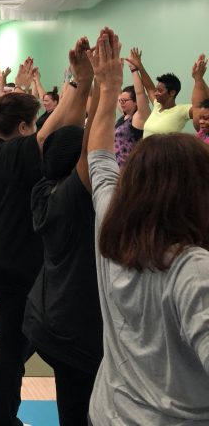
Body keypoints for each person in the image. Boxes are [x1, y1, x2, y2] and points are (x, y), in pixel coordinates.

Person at [87, 27, 209, 425]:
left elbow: (100, 162)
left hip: (108, 413)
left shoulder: (111, 231)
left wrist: (106, 89)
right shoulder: (192, 269)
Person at [0, 41, 92, 426]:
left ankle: (1, 417)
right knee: (15, 346)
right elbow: (61, 125)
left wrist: (72, 82)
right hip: (16, 261)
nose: (42, 126)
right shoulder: (19, 152)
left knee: (13, 343)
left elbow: (60, 121)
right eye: (35, 121)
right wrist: (84, 81)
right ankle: (0, 419)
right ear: (23, 129)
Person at [23, 84, 102, 426]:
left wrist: (84, 84)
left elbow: (50, 140)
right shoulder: (72, 199)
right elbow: (88, 153)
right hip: (72, 330)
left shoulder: (42, 186)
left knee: (71, 407)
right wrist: (102, 92)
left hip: (48, 322)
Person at [127, 46, 208, 138]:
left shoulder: (182, 110)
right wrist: (139, 66)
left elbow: (201, 106)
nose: (156, 93)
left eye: (160, 91)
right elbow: (149, 88)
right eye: (156, 90)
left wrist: (199, 79)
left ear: (172, 93)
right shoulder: (157, 106)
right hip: (147, 152)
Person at [114, 53, 150, 167]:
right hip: (117, 168)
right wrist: (116, 74)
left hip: (132, 169)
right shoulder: (125, 115)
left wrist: (133, 70)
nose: (121, 103)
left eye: (125, 101)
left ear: (135, 102)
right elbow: (116, 91)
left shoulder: (139, 117)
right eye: (121, 101)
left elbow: (140, 93)